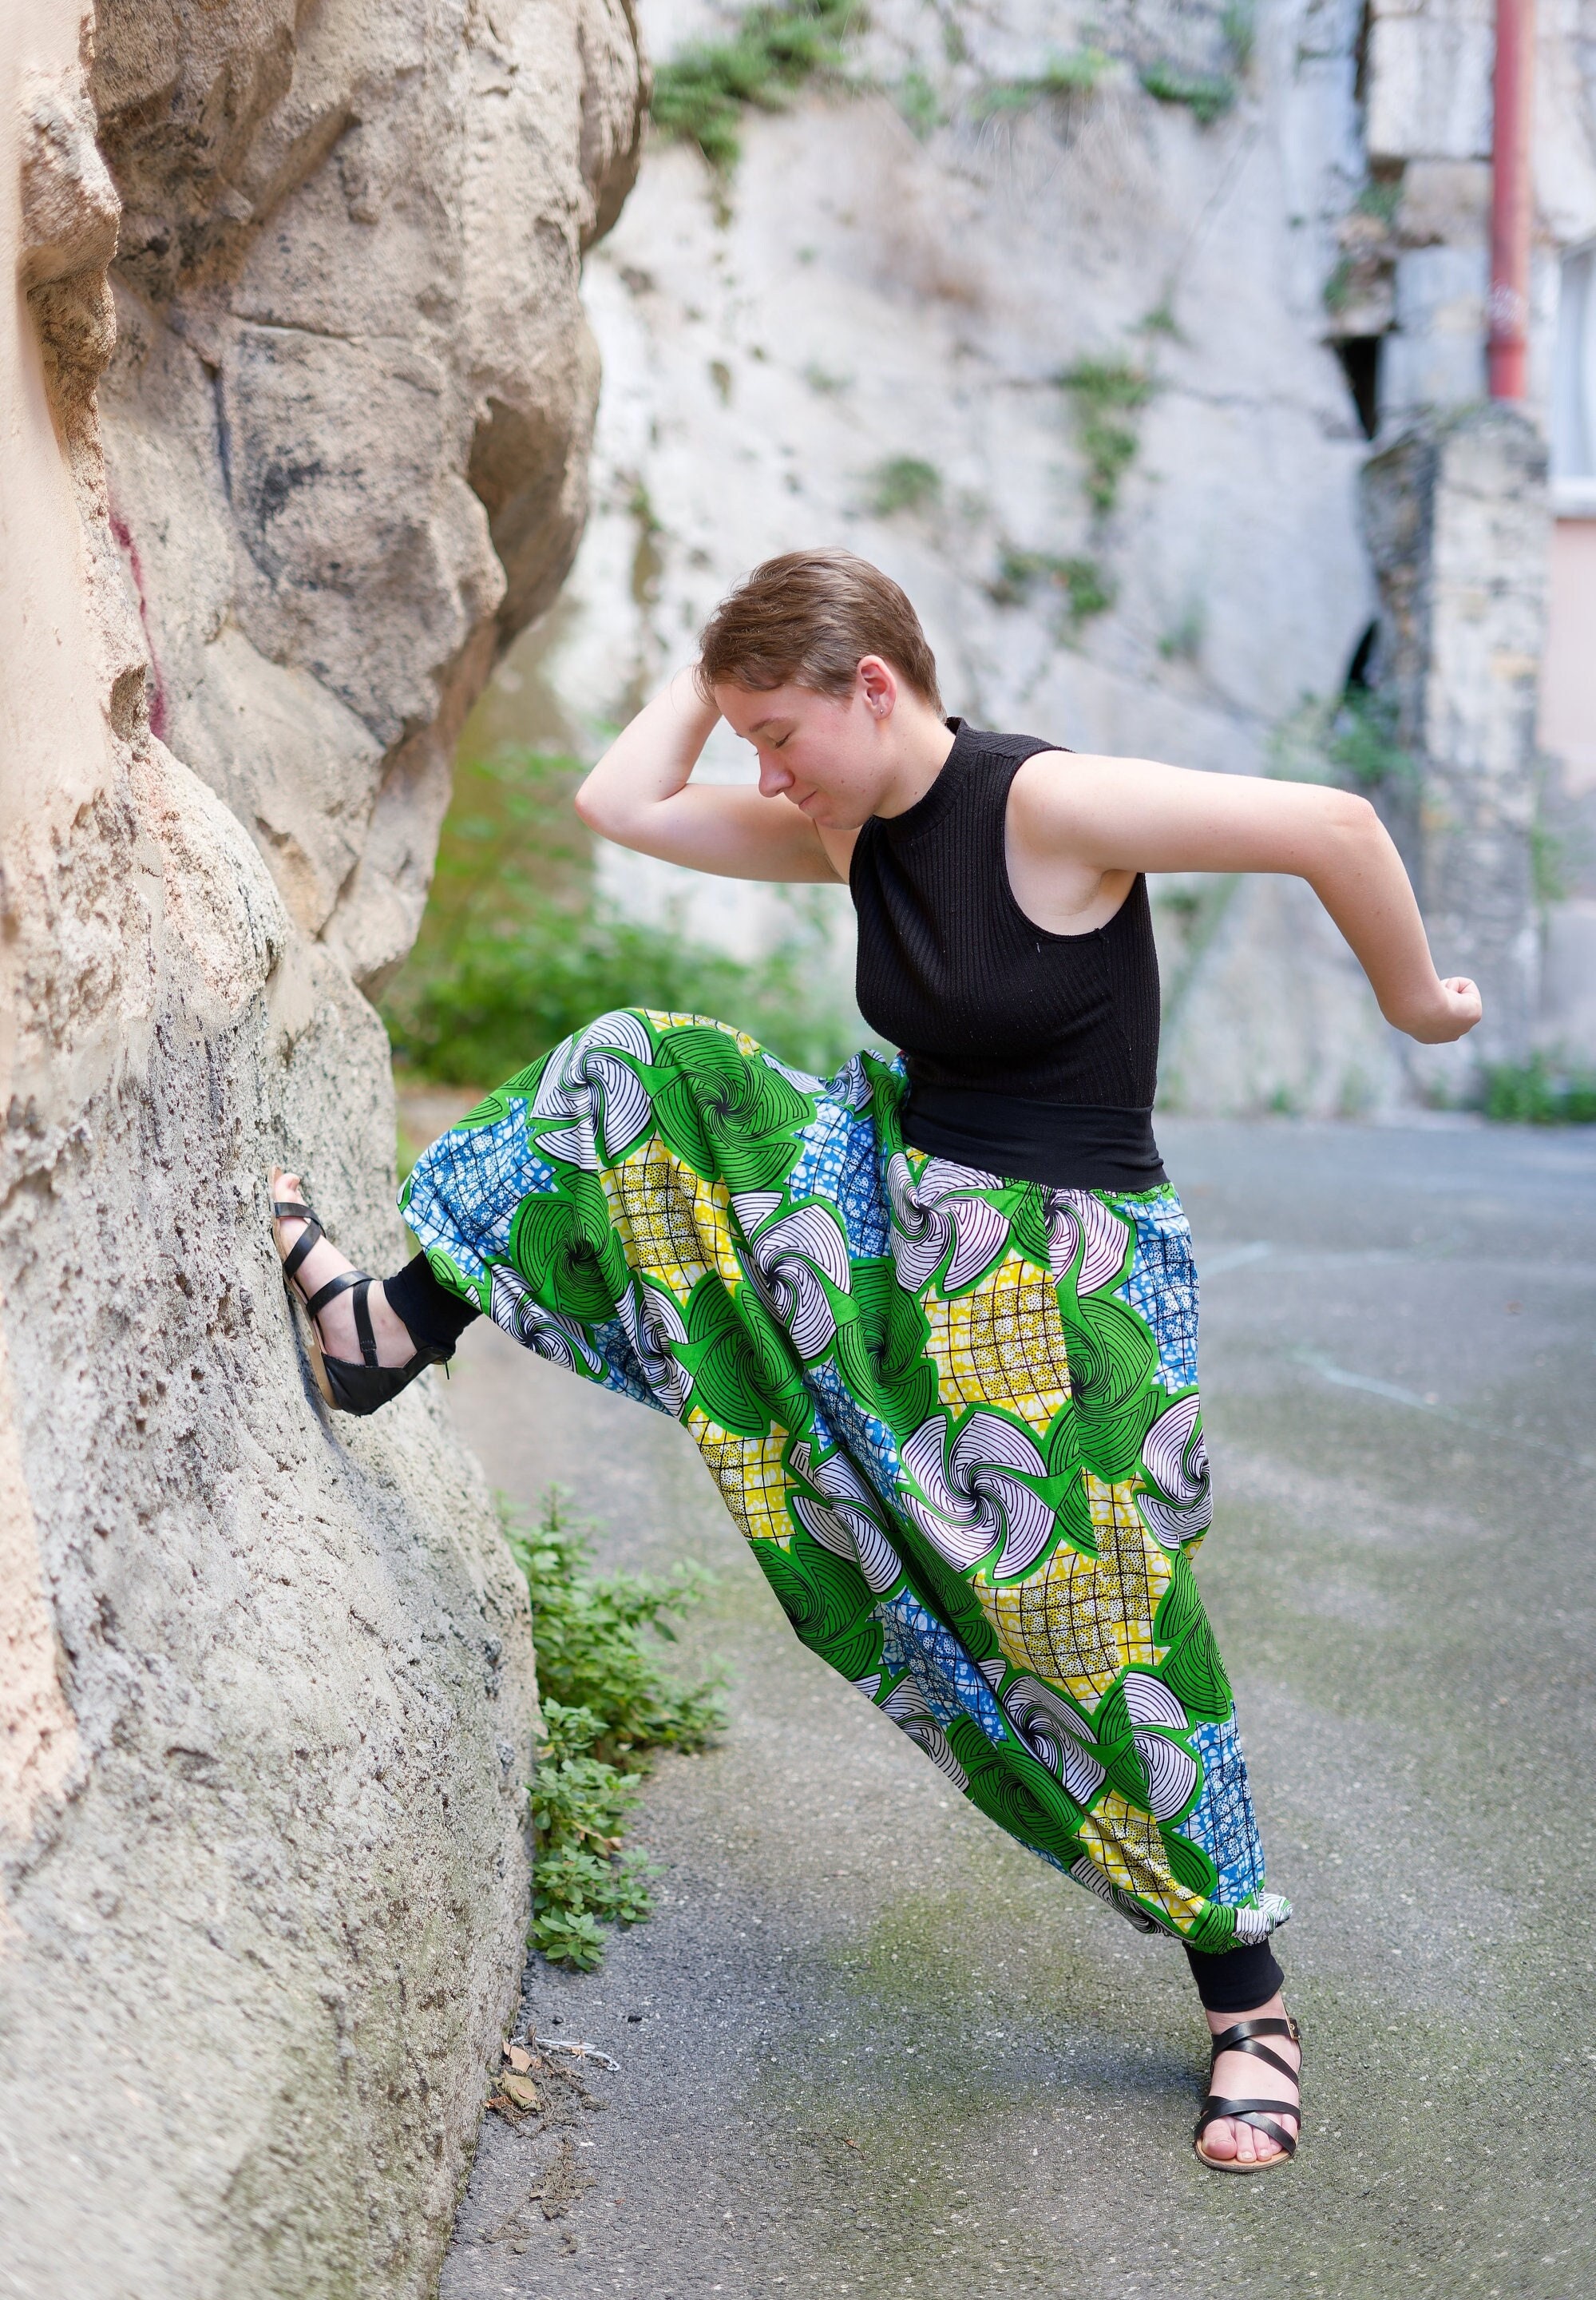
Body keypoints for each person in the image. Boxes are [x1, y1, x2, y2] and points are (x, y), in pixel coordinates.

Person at [271, 550, 1480, 2174]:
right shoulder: (843, 821)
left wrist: (1420, 1005)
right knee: (633, 1065)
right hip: (896, 1209)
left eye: (781, 735)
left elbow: (1331, 825)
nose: (765, 774)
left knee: (1096, 1630)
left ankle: (1246, 2003)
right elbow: (619, 804)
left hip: (1063, 1270)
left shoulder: (1045, 803)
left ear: (877, 686)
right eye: (749, 741)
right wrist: (727, 666)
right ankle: (388, 1332)